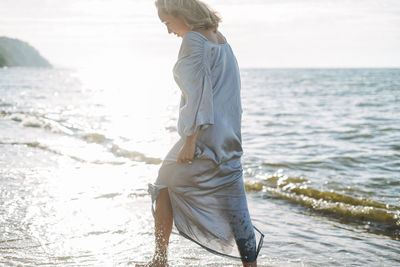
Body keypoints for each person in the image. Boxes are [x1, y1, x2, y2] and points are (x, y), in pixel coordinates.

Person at [140, 1, 264, 266]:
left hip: (203, 136)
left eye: (168, 23)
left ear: (181, 14)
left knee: (163, 184)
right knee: (235, 202)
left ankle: (160, 260)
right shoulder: (221, 40)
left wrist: (189, 140)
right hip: (229, 135)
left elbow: (199, 96)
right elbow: (230, 94)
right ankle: (250, 265)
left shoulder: (194, 40)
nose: (169, 30)